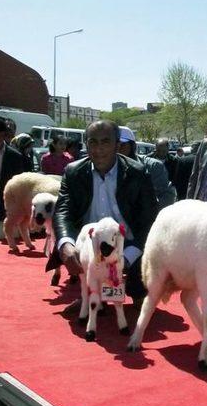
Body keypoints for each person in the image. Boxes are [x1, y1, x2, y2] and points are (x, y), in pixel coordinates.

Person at [53, 120, 158, 304]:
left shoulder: (138, 173)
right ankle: (93, 295)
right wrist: (66, 245)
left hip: (128, 246)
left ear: (118, 145)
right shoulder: (72, 172)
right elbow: (63, 211)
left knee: (139, 293)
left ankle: (135, 290)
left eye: (105, 142)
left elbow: (148, 221)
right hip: (89, 245)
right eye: (93, 142)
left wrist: (124, 259)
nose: (98, 149)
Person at [118, 127, 176, 210]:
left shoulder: (153, 167)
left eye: (122, 145)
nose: (117, 149)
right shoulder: (103, 169)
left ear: (133, 146)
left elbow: (166, 197)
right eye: (113, 145)